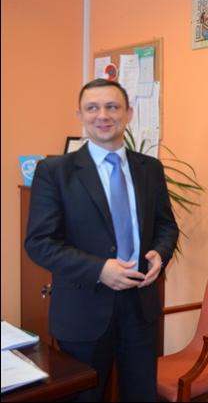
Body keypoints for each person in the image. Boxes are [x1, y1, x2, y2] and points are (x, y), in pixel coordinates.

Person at [25, 78, 179, 402]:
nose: (103, 115)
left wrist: (160, 253)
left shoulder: (150, 168)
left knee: (141, 395)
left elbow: (166, 226)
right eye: (92, 108)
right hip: (83, 312)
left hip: (140, 307)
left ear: (128, 113)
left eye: (112, 107)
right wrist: (99, 269)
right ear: (79, 115)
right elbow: (39, 242)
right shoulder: (55, 171)